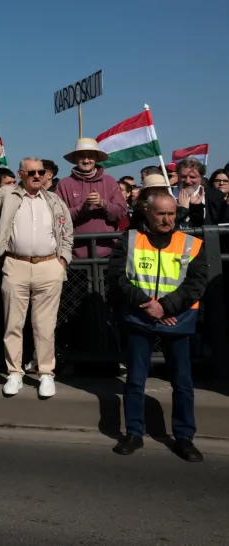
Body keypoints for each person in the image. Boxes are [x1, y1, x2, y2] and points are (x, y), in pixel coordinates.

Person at [108, 194, 207, 462]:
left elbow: (196, 284)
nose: (167, 219)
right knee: (135, 380)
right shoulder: (128, 240)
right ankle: (134, 433)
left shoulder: (192, 244)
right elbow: (118, 278)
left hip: (176, 319)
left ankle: (184, 437)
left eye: (171, 214)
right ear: (147, 213)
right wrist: (148, 305)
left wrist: (165, 307)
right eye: (161, 214)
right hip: (141, 318)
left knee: (183, 383)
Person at [0, 140, 73, 400]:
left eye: (40, 172)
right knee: (13, 323)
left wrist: (62, 260)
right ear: (20, 174)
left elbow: (67, 232)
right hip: (15, 264)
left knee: (45, 325)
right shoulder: (9, 194)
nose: (36, 176)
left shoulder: (55, 200)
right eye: (30, 172)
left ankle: (46, 373)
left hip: (49, 266)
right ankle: (15, 372)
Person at [55, 138, 128, 258]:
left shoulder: (110, 181)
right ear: (75, 159)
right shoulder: (63, 184)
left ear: (96, 159)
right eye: (81, 156)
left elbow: (121, 213)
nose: (86, 160)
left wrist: (103, 203)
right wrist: (83, 208)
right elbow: (59, 218)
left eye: (90, 156)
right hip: (75, 255)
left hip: (109, 253)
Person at [174, 157, 227, 228]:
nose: (187, 181)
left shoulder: (215, 196)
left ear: (201, 178)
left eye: (192, 177)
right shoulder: (166, 194)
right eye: (183, 176)